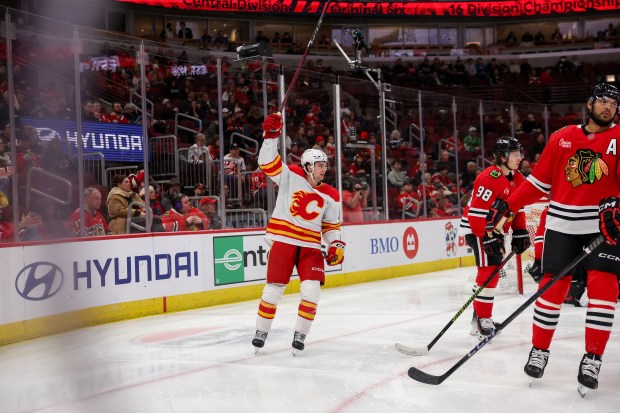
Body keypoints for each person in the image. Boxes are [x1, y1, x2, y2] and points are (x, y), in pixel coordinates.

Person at [485, 83, 620, 394]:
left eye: (613, 103)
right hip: (562, 226)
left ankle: (592, 358)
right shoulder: (562, 138)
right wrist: (508, 204)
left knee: (604, 292)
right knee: (551, 292)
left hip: (603, 227)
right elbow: (537, 183)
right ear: (589, 104)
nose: (607, 107)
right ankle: (539, 350)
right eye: (602, 101)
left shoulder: (619, 138)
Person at [252, 112, 344, 354]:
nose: (324, 168)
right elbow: (266, 163)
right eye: (320, 164)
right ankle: (261, 332)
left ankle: (300, 335)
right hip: (284, 240)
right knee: (273, 289)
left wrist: (336, 245)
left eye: (325, 164)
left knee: (312, 291)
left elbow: (331, 226)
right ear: (307, 166)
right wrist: (270, 136)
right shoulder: (291, 175)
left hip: (311, 246)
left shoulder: (331, 194)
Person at [458, 136, 529, 340]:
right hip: (476, 229)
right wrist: (484, 237)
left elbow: (519, 208)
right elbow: (477, 214)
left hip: (495, 230)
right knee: (489, 270)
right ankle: (483, 320)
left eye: (520, 153)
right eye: (515, 154)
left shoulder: (518, 178)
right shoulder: (490, 176)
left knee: (494, 271)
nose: (520, 158)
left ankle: (477, 320)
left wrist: (520, 231)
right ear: (502, 156)